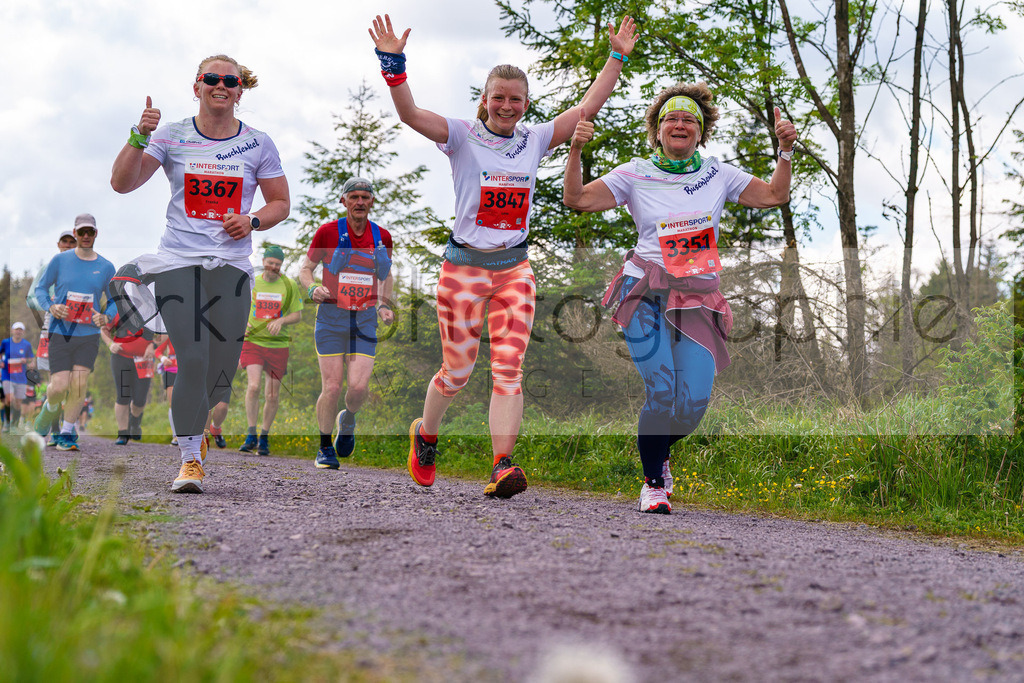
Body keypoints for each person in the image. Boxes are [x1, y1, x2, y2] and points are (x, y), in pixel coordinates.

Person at [369, 13, 638, 497]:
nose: (507, 106)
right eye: (498, 98)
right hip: (464, 270)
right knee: (456, 372)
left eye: (516, 99)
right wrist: (394, 64)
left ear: (526, 104)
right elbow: (410, 115)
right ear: (485, 101)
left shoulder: (535, 139)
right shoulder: (460, 136)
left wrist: (616, 56)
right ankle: (425, 437)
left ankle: (502, 464)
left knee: (508, 368)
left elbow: (587, 107)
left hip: (514, 269)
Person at [563, 83, 797, 513]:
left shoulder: (717, 174)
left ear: (701, 130)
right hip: (645, 291)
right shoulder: (634, 173)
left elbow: (775, 195)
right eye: (671, 117)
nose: (680, 124)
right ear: (657, 129)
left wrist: (784, 152)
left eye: (690, 118)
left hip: (697, 296)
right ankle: (653, 483)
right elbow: (575, 198)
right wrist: (575, 150)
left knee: (692, 403)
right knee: (663, 389)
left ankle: (657, 449)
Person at [110, 54, 290, 493]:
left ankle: (196, 428)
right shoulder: (171, 135)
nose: (220, 85)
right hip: (178, 262)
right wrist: (140, 135)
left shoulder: (258, 143)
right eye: (211, 78)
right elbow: (122, 183)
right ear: (197, 86)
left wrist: (253, 222)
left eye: (230, 80)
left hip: (230, 267)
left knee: (221, 369)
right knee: (191, 358)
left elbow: (280, 203)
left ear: (240, 91)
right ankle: (190, 458)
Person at [299, 177, 394, 469]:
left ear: (372, 202)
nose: (360, 202)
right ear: (344, 201)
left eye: (365, 197)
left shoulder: (382, 237)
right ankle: (325, 447)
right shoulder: (327, 233)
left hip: (364, 320)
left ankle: (348, 418)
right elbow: (306, 268)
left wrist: (384, 304)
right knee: (332, 387)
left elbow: (386, 274)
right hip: (330, 318)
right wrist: (312, 289)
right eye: (354, 197)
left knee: (358, 388)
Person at [32, 213, 116, 451]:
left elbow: (114, 300)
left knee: (78, 386)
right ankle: (48, 411)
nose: (86, 236)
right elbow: (40, 289)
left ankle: (66, 433)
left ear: (96, 233)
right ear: (75, 233)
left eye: (90, 232)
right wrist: (51, 306)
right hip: (60, 332)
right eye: (81, 232)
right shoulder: (60, 261)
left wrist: (106, 315)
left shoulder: (106, 266)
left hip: (88, 335)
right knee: (58, 387)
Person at [236, 244, 304, 455]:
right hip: (253, 341)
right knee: (254, 386)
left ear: (281, 265)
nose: (273, 266)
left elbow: (297, 315)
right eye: (270, 262)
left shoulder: (289, 284)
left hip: (278, 345)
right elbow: (238, 304)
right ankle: (251, 433)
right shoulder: (252, 282)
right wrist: (241, 322)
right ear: (264, 262)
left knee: (272, 394)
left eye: (277, 264)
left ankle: (264, 436)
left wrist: (282, 320)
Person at [27, 229, 78, 443]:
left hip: (78, 326)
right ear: (58, 245)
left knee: (75, 379)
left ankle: (67, 427)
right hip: (53, 324)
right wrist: (51, 306)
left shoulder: (84, 268)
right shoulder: (49, 268)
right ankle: (56, 428)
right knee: (55, 381)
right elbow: (31, 297)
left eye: (71, 242)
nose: (67, 245)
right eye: (64, 242)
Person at [100, 314, 157, 444]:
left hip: (144, 359)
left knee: (140, 399)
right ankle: (122, 433)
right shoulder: (119, 310)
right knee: (123, 396)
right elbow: (104, 330)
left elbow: (163, 333)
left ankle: (135, 422)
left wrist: (153, 345)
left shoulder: (151, 310)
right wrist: (110, 344)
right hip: (121, 357)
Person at [1, 322, 36, 432]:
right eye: (16, 329)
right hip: (7, 375)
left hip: (21, 378)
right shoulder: (6, 342)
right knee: (9, 399)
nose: (18, 331)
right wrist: (1, 362)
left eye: (20, 330)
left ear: (23, 332)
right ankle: (6, 423)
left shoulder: (26, 345)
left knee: (18, 403)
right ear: (12, 331)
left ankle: (14, 424)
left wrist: (29, 362)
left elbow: (31, 358)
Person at [154, 335, 178, 445]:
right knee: (173, 402)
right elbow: (158, 351)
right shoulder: (170, 331)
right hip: (171, 369)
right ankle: (176, 435)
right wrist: (163, 359)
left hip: (188, 368)